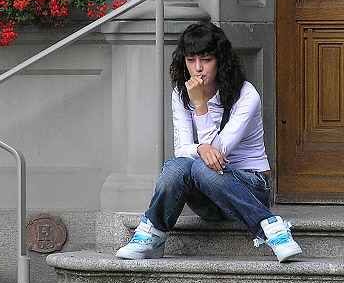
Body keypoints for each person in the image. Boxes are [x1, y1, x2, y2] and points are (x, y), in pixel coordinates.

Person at [116, 22, 302, 262]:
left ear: (221, 60)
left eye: (206, 60)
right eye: (191, 60)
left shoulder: (246, 95)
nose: (198, 69)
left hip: (251, 187)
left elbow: (220, 151)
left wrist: (201, 105)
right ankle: (152, 237)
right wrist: (201, 146)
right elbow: (183, 149)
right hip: (209, 199)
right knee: (177, 166)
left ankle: (272, 229)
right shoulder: (181, 94)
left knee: (204, 168)